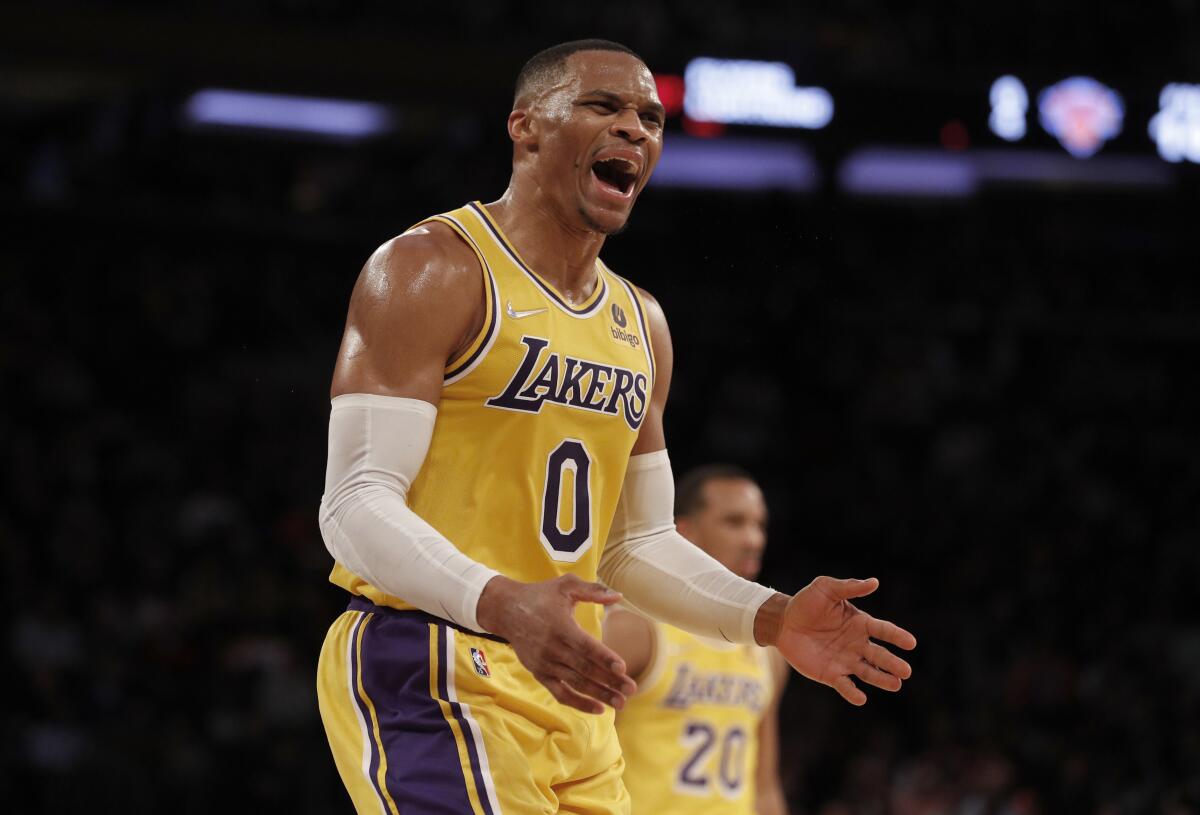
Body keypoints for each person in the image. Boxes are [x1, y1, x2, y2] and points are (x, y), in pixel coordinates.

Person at [315, 38, 916, 815]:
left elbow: (635, 544)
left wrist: (768, 615)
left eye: (651, 118)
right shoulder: (433, 267)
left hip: (572, 686)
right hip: (434, 657)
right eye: (604, 106)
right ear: (526, 126)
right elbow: (354, 500)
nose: (635, 130)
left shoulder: (642, 322)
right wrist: (501, 600)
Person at [605, 465, 790, 815]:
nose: (754, 539)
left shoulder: (768, 649)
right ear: (685, 534)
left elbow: (764, 786)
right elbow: (577, 759)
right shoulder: (637, 629)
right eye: (734, 522)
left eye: (759, 525)